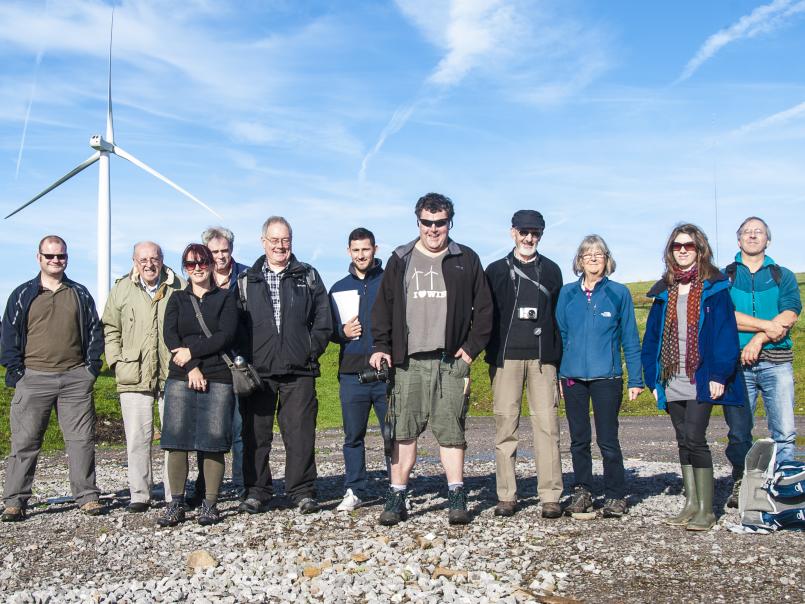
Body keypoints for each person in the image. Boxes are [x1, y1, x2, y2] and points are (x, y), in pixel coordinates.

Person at [370, 193, 493, 526]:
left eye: (440, 223)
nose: (434, 229)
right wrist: (381, 345)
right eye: (427, 222)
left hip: (450, 361)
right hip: (408, 362)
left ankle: (456, 495)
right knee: (403, 432)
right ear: (418, 222)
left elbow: (484, 311)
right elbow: (383, 306)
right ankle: (396, 496)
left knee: (452, 431)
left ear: (449, 222)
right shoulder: (401, 257)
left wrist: (469, 350)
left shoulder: (465, 258)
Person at [641, 223, 746, 531]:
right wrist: (652, 378)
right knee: (682, 439)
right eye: (677, 245)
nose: (683, 250)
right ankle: (690, 504)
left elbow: (727, 335)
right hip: (671, 375)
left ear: (700, 250)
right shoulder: (665, 291)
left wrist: (718, 374)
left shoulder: (715, 287)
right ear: (670, 251)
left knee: (696, 438)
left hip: (702, 375)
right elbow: (652, 338)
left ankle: (707, 509)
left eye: (689, 245)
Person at [1, 235, 104, 521]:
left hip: (75, 378)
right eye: (50, 257)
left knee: (82, 440)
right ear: (39, 258)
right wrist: (18, 373)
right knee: (25, 442)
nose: (56, 261)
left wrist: (91, 369)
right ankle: (15, 500)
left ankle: (86, 496)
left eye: (61, 256)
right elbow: (8, 336)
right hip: (34, 378)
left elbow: (96, 332)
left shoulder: (80, 293)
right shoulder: (23, 294)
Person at [237, 216, 332, 515]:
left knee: (301, 434)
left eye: (285, 239)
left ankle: (302, 491)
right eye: (274, 240)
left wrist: (308, 350)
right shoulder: (247, 280)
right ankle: (257, 491)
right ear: (263, 241)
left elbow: (323, 319)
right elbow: (236, 325)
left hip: (298, 370)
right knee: (255, 435)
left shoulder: (309, 276)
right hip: (259, 372)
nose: (280, 245)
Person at [556, 235, 643, 518]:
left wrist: (636, 379)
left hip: (608, 377)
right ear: (579, 261)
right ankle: (582, 491)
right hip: (573, 378)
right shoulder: (567, 294)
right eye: (587, 254)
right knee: (578, 439)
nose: (593, 258)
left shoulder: (619, 293)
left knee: (608, 439)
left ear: (607, 259)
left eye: (599, 254)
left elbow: (630, 338)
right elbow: (562, 335)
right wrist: (560, 373)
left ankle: (616, 495)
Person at [485, 210, 564, 519]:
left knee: (548, 427)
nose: (529, 238)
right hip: (505, 360)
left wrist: (560, 361)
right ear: (512, 233)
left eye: (535, 232)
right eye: (524, 232)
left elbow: (559, 319)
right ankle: (506, 495)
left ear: (541, 235)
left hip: (543, 360)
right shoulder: (495, 271)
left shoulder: (553, 271)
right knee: (506, 429)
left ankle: (550, 495)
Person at [722, 217, 801, 508]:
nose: (753, 236)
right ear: (738, 239)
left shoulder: (783, 275)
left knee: (784, 430)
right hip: (737, 364)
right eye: (747, 232)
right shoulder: (725, 277)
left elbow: (790, 314)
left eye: (759, 232)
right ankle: (743, 483)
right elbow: (726, 317)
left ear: (768, 239)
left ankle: (786, 487)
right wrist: (766, 327)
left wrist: (757, 339)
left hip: (777, 362)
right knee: (739, 430)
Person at [157, 244, 238, 526]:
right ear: (184, 268)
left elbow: (224, 336)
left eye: (202, 262)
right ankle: (176, 503)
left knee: (214, 440)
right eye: (191, 264)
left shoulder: (227, 299)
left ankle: (210, 504)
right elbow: (170, 335)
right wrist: (191, 366)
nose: (198, 268)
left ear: (212, 264)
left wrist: (192, 353)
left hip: (218, 376)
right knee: (176, 439)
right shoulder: (177, 299)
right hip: (181, 376)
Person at [102, 241, 184, 512]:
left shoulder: (178, 286)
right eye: (143, 259)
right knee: (138, 437)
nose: (149, 264)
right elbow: (111, 328)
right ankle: (140, 494)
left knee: (173, 438)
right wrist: (115, 361)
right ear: (134, 261)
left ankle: (175, 494)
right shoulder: (121, 289)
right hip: (133, 372)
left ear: (162, 259)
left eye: (154, 258)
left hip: (172, 373)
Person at [184, 227, 250, 507]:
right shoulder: (199, 282)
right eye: (214, 252)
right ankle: (203, 487)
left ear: (231, 250)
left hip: (239, 362)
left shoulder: (247, 277)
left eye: (225, 250)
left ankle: (244, 486)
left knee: (240, 428)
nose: (220, 256)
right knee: (208, 431)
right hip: (209, 364)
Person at [329, 227, 389, 512]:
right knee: (353, 436)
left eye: (366, 249)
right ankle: (354, 489)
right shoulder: (339, 287)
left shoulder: (390, 282)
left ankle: (396, 488)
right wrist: (342, 331)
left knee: (393, 432)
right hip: (352, 373)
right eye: (356, 250)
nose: (361, 255)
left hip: (386, 372)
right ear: (348, 252)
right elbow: (327, 329)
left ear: (375, 249)